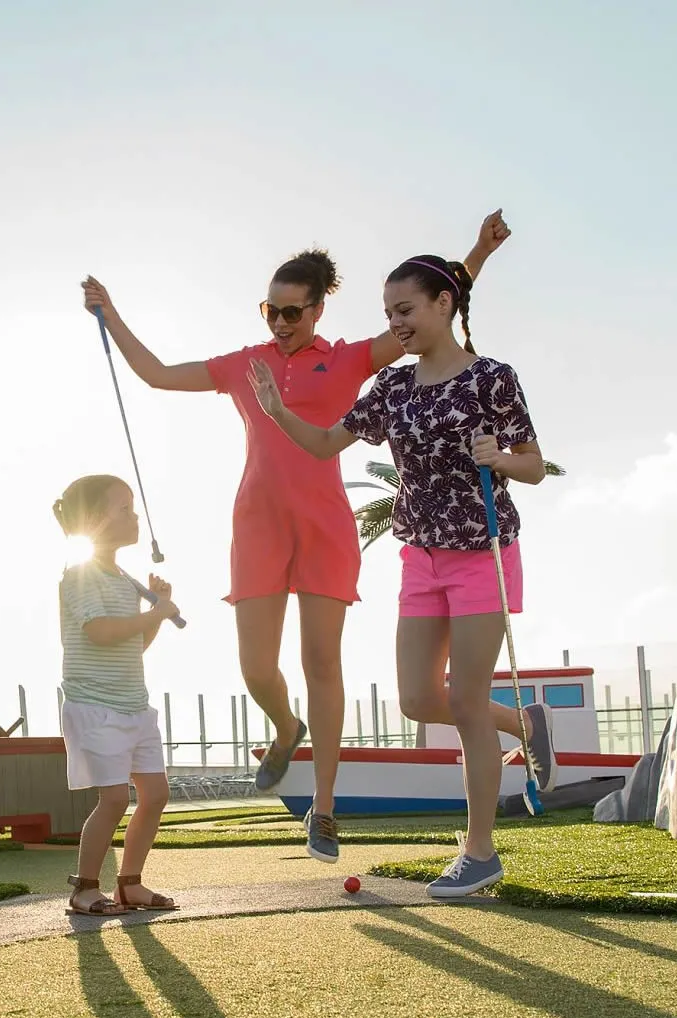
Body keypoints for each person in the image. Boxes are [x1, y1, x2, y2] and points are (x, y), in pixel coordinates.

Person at [79, 210, 512, 863]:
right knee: (256, 666)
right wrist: (109, 313)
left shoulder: (347, 362)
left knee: (320, 662)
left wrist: (478, 252)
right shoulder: (240, 363)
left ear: (314, 312)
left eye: (290, 313)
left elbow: (429, 306)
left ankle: (324, 806)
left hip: (323, 525)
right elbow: (157, 374)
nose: (278, 324)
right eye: (269, 311)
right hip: (254, 523)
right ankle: (285, 725)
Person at [246, 252, 557, 898]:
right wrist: (276, 410)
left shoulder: (490, 379)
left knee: (465, 699)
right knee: (417, 697)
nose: (396, 323)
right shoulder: (392, 389)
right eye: (388, 314)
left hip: (482, 553)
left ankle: (478, 851)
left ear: (443, 305)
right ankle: (523, 724)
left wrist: (496, 455)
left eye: (405, 310)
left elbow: (531, 463)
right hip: (419, 557)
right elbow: (327, 442)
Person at [53, 474, 181, 916]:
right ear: (94, 520)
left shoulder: (124, 580)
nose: (134, 515)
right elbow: (101, 632)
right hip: (95, 705)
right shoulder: (81, 573)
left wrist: (155, 615)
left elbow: (132, 644)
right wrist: (157, 612)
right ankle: (85, 888)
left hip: (134, 705)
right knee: (113, 799)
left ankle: (130, 884)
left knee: (156, 794)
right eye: (123, 508)